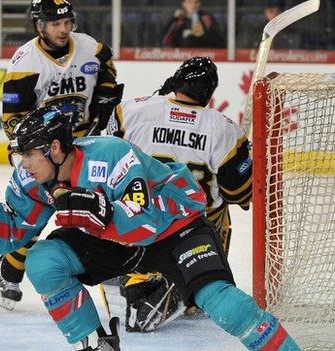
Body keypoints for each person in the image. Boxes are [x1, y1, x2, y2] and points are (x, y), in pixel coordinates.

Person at [0, 106, 300, 351]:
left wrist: (98, 210)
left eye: (28, 154)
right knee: (43, 261)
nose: (23, 164)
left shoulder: (111, 155)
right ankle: (95, 345)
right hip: (114, 242)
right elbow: (7, 239)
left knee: (227, 308)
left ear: (55, 148)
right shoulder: (32, 179)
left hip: (175, 230)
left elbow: (143, 223)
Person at [104, 56, 252, 332]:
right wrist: (247, 163)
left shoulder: (132, 110)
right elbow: (237, 193)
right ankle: (197, 285)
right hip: (190, 231)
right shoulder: (225, 129)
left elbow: (107, 159)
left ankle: (130, 274)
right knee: (221, 211)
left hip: (136, 223)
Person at [0, 0, 124, 310]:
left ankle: (113, 266)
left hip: (84, 145)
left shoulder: (91, 48)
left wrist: (106, 101)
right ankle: (9, 274)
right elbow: (13, 121)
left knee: (97, 207)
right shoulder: (25, 62)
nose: (64, 29)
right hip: (46, 153)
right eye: (56, 23)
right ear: (40, 25)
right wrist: (38, 152)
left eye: (67, 22)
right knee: (35, 217)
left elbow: (108, 77)